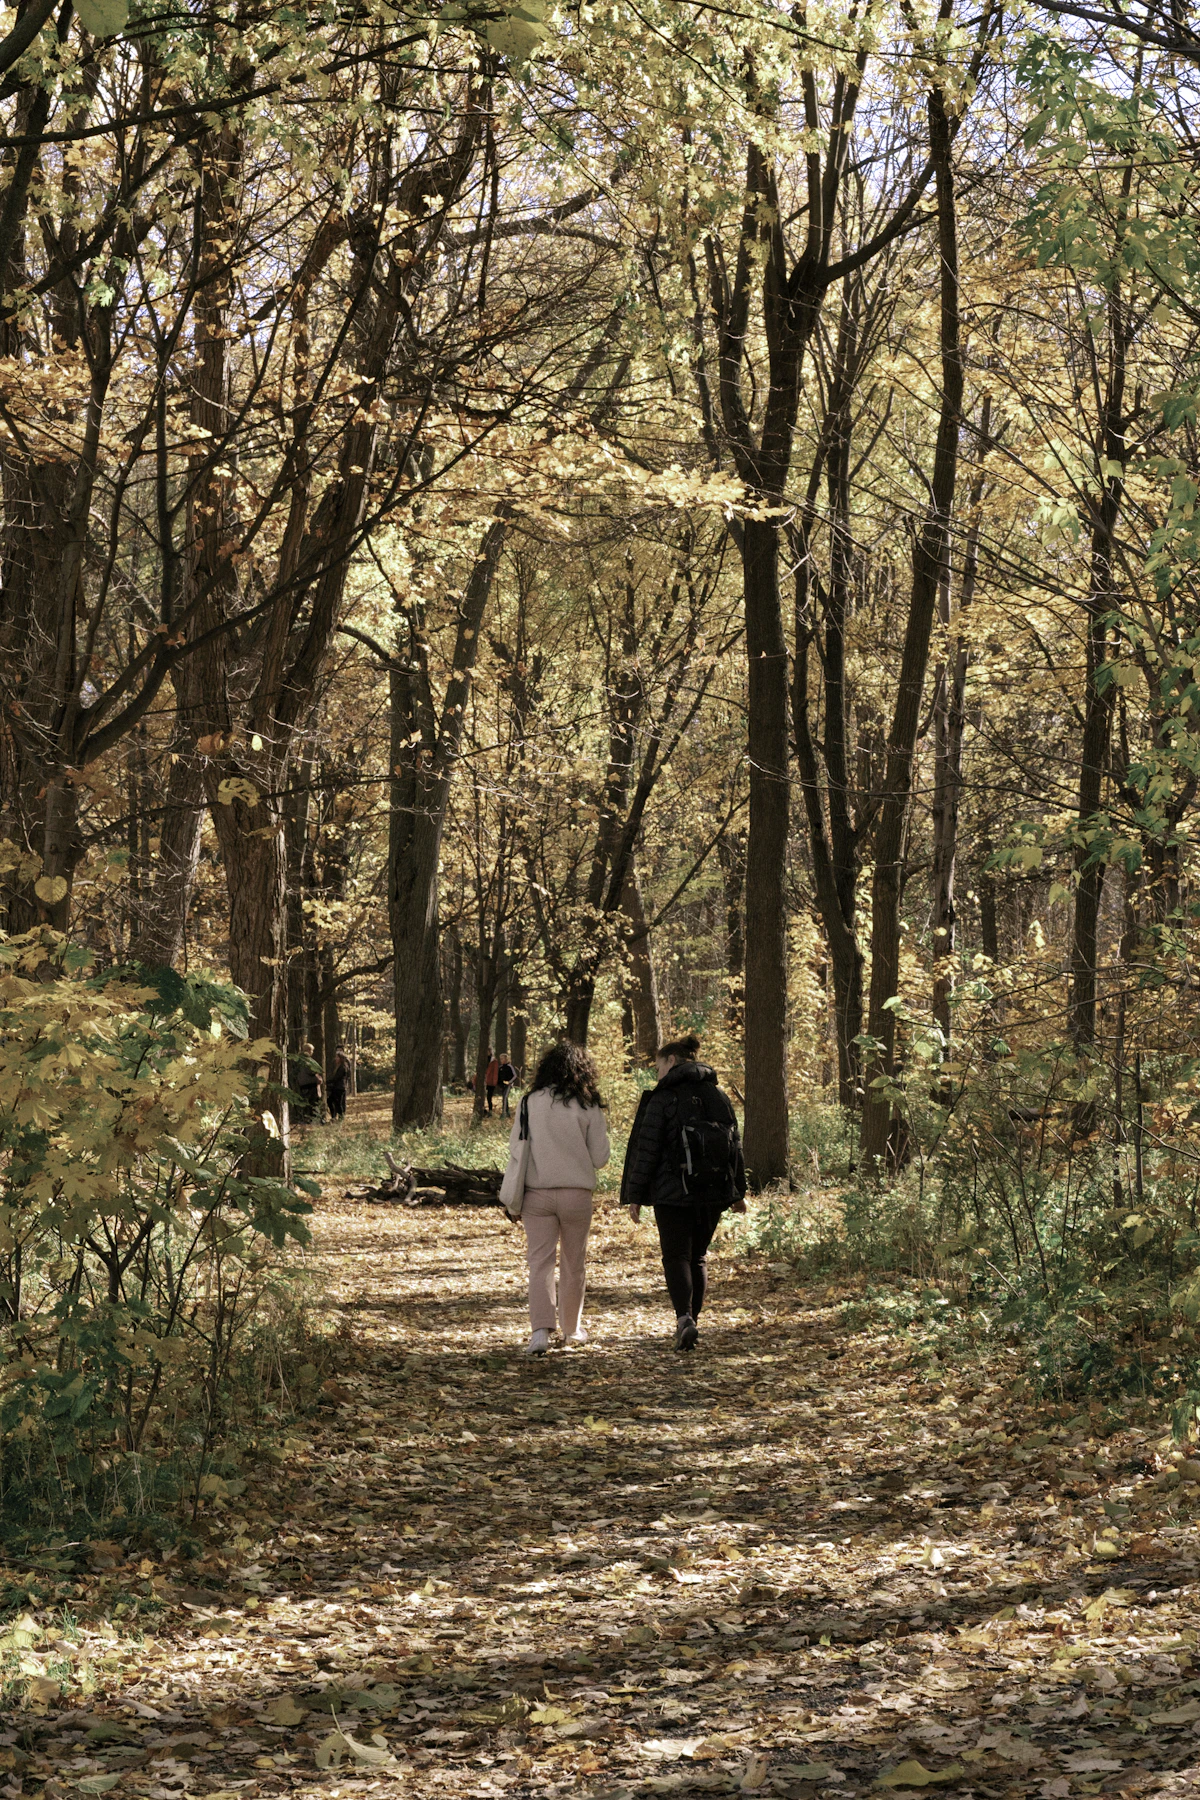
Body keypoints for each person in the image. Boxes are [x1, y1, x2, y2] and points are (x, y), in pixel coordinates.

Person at [621, 1032, 747, 1351]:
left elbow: (646, 1149)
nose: (657, 1073)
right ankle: (693, 1321)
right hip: (715, 1191)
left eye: (658, 1066)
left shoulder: (663, 1099)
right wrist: (738, 1192)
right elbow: (734, 1146)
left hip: (672, 1192)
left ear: (672, 1061)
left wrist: (635, 1195)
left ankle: (684, 1319)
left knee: (676, 1256)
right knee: (698, 1257)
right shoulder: (718, 1095)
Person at [502, 1042, 610, 1356]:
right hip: (577, 1195)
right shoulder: (588, 1104)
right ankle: (572, 1330)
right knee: (574, 1264)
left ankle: (539, 1333)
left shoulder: (529, 1102)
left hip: (536, 1195)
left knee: (540, 1264)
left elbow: (516, 1149)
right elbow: (601, 1158)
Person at [293, 1043, 323, 1122]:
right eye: (311, 1050)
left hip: (304, 1084)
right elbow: (311, 1070)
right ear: (308, 1050)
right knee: (313, 1102)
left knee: (308, 1102)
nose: (312, 1052)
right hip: (309, 1084)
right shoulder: (306, 1060)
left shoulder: (299, 1059)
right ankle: (314, 1119)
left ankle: (308, 1118)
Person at [327, 1049, 351, 1121]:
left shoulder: (343, 1067)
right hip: (338, 1087)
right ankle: (334, 1116)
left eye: (337, 1057)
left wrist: (327, 1082)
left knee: (337, 1103)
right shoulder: (339, 1066)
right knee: (331, 1101)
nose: (336, 1059)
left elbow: (337, 1078)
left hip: (339, 1088)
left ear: (341, 1058)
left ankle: (340, 1118)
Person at [484, 1048, 500, 1114]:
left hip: (490, 1082)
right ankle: (484, 1111)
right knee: (483, 1097)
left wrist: (494, 1082)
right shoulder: (483, 1060)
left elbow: (495, 1072)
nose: (487, 1053)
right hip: (485, 1081)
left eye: (488, 1051)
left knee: (489, 1097)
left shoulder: (494, 1061)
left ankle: (490, 1111)